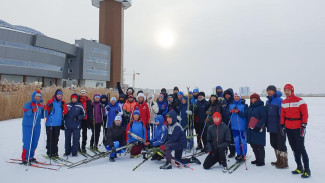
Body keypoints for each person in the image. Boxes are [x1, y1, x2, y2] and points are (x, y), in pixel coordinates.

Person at [281, 84, 310, 178]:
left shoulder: (299, 100)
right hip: (288, 128)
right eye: (285, 90)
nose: (286, 92)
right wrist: (282, 125)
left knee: (301, 148)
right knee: (294, 148)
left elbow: (305, 113)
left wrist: (304, 125)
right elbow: (282, 115)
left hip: (298, 128)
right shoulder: (284, 102)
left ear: (292, 90)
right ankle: (299, 167)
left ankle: (307, 169)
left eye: (288, 90)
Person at [265, 85, 288, 168]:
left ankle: (284, 162)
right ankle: (278, 160)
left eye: (271, 90)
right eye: (268, 90)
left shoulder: (280, 101)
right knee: (274, 143)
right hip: (271, 127)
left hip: (279, 126)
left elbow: (282, 114)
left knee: (281, 144)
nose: (269, 92)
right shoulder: (267, 101)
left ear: (274, 91)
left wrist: (282, 125)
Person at [21, 90, 45, 164]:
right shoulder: (28, 104)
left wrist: (46, 110)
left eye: (39, 96)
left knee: (34, 142)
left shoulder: (41, 106)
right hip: (28, 126)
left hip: (37, 126)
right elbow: (26, 112)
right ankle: (25, 158)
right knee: (27, 142)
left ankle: (31, 156)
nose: (37, 97)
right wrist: (32, 111)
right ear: (33, 96)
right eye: (36, 96)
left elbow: (43, 116)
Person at [45, 89, 68, 157]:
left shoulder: (62, 103)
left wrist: (64, 106)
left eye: (61, 94)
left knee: (56, 139)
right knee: (50, 138)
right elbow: (46, 110)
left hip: (58, 124)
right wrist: (49, 106)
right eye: (58, 94)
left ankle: (55, 152)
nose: (59, 96)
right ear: (55, 95)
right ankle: (49, 152)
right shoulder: (51, 101)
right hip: (50, 123)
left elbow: (66, 112)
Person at [247, 93, 267, 166]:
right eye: (252, 99)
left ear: (258, 99)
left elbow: (263, 117)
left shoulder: (261, 107)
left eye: (254, 99)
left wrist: (258, 126)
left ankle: (261, 161)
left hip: (258, 129)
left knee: (259, 145)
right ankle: (257, 159)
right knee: (253, 144)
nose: (253, 100)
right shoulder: (250, 107)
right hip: (251, 128)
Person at [229, 92, 248, 162]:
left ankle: (243, 154)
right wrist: (230, 111)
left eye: (237, 97)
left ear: (240, 97)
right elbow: (228, 115)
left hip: (242, 126)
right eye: (235, 97)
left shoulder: (244, 105)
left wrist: (238, 112)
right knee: (236, 141)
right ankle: (238, 154)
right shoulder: (231, 105)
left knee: (242, 141)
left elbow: (246, 115)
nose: (236, 98)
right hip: (234, 126)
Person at [222, 88, 236, 158]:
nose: (227, 96)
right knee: (226, 137)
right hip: (225, 122)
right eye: (226, 95)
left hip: (232, 122)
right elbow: (222, 111)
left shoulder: (233, 102)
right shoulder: (223, 102)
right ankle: (225, 150)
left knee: (232, 138)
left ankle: (233, 151)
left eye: (228, 95)